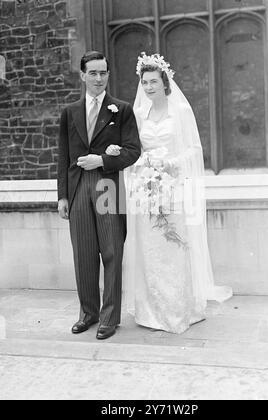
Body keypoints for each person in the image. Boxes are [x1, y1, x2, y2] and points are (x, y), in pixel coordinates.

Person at [119, 53, 231, 334]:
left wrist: (171, 163)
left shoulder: (179, 110)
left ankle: (177, 309)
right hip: (147, 189)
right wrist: (141, 167)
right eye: (144, 82)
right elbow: (136, 150)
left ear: (164, 82)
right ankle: (151, 310)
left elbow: (194, 149)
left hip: (174, 188)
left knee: (174, 246)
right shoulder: (139, 114)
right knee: (150, 249)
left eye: (153, 81)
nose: (148, 87)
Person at [57, 51, 141, 340]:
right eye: (92, 73)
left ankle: (109, 318)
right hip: (78, 186)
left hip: (109, 186)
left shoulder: (122, 109)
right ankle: (88, 313)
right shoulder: (69, 112)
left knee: (112, 252)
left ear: (108, 75)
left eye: (103, 72)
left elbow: (133, 151)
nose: (98, 78)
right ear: (82, 75)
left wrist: (102, 161)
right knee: (83, 253)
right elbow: (63, 156)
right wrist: (62, 196)